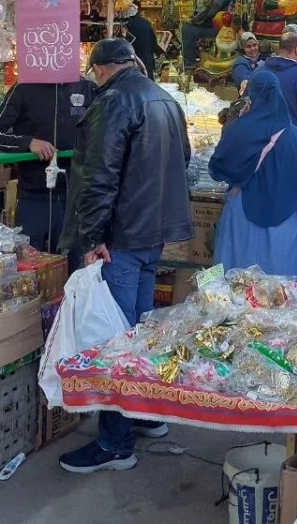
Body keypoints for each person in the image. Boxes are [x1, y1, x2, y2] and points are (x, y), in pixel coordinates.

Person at [61, 38, 193, 474]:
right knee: (137, 332)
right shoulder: (164, 99)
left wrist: (93, 235)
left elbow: (100, 173)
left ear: (100, 69)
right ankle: (145, 416)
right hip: (153, 232)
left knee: (115, 340)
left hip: (122, 236)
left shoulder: (115, 101)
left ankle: (115, 443)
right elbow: (184, 160)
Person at [207, 66, 297, 280]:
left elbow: (216, 171)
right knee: (276, 301)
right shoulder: (296, 138)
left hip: (239, 225)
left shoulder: (237, 130)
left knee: (232, 295)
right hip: (282, 232)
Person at [0, 78, 94, 256]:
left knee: (73, 270)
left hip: (75, 201)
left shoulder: (86, 87)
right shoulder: (24, 87)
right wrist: (28, 142)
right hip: (33, 198)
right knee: (29, 266)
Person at [119, 3, 159, 78]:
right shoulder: (146, 23)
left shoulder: (124, 24)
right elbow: (154, 44)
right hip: (146, 59)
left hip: (130, 61)